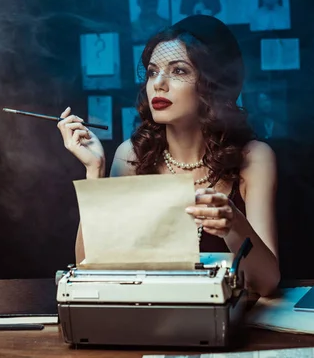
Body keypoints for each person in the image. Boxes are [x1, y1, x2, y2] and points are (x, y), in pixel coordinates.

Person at [58, 15, 280, 297]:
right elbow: (89, 270)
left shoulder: (255, 157)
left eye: (179, 71)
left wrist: (233, 223)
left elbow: (267, 283)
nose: (158, 84)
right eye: (152, 72)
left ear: (212, 85)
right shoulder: (130, 156)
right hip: (151, 322)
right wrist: (95, 172)